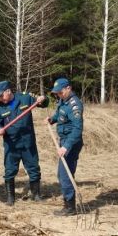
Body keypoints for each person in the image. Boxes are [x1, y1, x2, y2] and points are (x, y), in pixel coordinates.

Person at [0, 81, 49, 206]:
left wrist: (43, 99)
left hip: (28, 142)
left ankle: (36, 195)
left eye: (1, 95)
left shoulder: (25, 98)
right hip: (11, 144)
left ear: (8, 91)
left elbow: (44, 104)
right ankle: (10, 198)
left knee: (33, 168)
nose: (0, 98)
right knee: (9, 170)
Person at [46, 78, 84, 216]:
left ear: (68, 88)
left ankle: (70, 207)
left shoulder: (75, 105)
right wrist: (52, 119)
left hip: (71, 143)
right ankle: (69, 204)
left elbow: (77, 129)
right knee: (64, 174)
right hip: (64, 141)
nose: (58, 95)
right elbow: (60, 114)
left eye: (60, 92)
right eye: (57, 93)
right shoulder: (63, 101)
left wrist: (66, 147)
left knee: (64, 174)